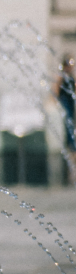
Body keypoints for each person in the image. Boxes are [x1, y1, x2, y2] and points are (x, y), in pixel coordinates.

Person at [56, 53, 76, 185]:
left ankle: (71, 170)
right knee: (68, 135)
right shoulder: (61, 77)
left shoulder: (71, 77)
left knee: (71, 134)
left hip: (70, 107)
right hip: (65, 108)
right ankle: (69, 171)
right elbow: (56, 90)